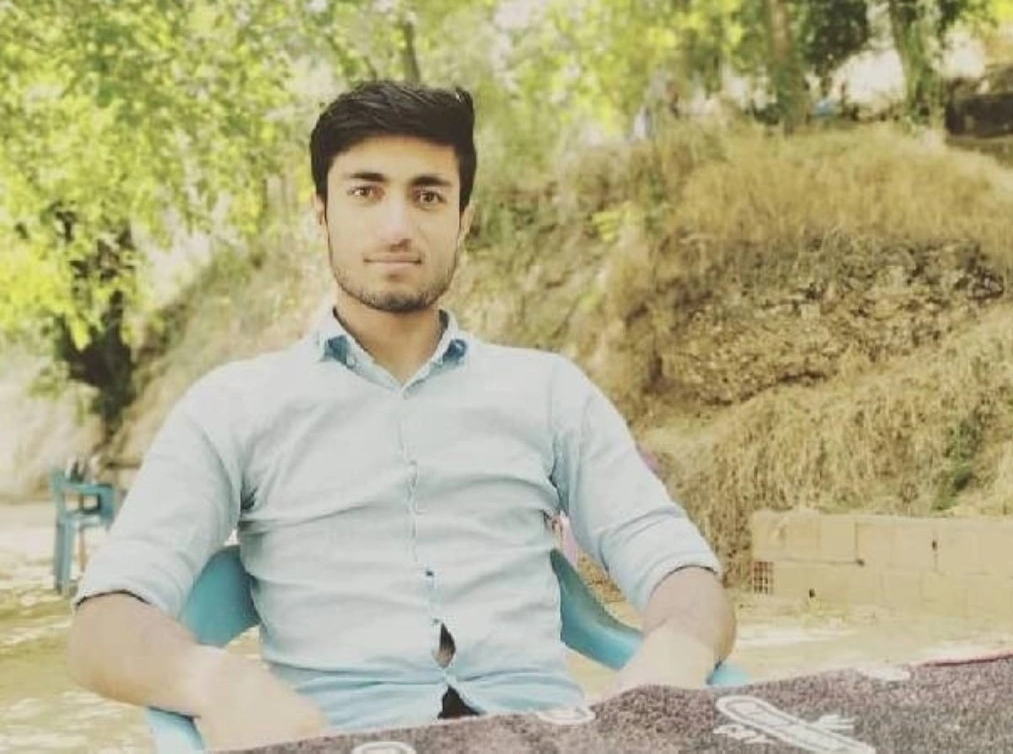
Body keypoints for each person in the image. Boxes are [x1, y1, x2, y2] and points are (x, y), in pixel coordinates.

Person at [66, 80, 736, 751]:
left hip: (541, 737)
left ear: (463, 219)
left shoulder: (549, 393)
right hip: (344, 739)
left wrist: (675, 650)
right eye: (366, 191)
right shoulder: (235, 408)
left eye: (428, 195)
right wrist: (218, 683)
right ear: (322, 213)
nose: (397, 227)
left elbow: (679, 567)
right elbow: (104, 625)